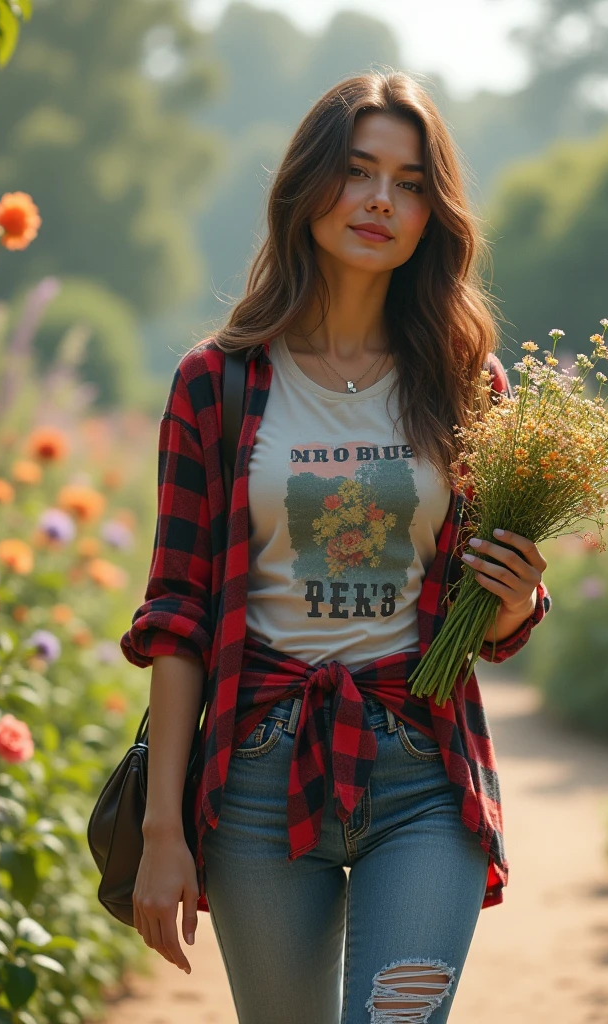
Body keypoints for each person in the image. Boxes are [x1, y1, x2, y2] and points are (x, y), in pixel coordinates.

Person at [119, 69, 551, 1024]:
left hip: (423, 770)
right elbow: (177, 615)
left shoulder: (468, 386)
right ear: (307, 185)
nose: (379, 201)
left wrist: (516, 601)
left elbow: (491, 613)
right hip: (259, 775)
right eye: (357, 172)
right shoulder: (216, 384)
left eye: (407, 183)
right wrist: (162, 833)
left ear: (431, 214)